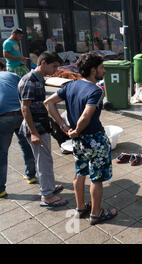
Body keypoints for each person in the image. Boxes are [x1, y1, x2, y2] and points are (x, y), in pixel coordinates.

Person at [45, 53, 117, 224]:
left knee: (80, 172)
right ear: (93, 70)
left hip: (78, 142)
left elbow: (48, 103)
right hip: (95, 140)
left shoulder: (71, 85)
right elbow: (85, 116)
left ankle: (80, 207)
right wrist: (75, 129)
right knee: (97, 178)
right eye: (101, 68)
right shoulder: (96, 91)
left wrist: (64, 126)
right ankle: (96, 214)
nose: (104, 71)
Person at [18, 51, 68, 207]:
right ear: (43, 63)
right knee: (43, 162)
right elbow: (25, 108)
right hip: (36, 127)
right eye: (54, 66)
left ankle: (50, 187)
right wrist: (33, 133)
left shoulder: (38, 79)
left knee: (46, 159)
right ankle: (47, 196)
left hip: (41, 125)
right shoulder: (29, 81)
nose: (55, 70)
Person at [0, 61, 37, 198]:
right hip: (21, 113)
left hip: (3, 116)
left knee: (2, 153)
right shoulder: (12, 75)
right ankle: (31, 175)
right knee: (26, 145)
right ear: (3, 67)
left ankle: (1, 189)